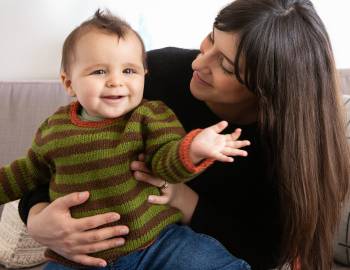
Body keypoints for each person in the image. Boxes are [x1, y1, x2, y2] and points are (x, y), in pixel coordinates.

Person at [18, 0, 350, 269]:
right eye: (209, 40)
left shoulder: (285, 149)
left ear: (267, 93)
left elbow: (264, 252)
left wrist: (181, 198)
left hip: (172, 246)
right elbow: (54, 158)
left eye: (226, 65)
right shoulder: (156, 75)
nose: (199, 63)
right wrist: (37, 220)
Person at [0, 9, 252, 270]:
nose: (115, 81)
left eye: (129, 71)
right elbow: (26, 173)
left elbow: (165, 163)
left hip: (157, 243)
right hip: (79, 255)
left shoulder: (150, 116)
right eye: (99, 72)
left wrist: (194, 149)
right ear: (68, 83)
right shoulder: (53, 129)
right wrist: (34, 215)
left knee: (202, 259)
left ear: (145, 74)